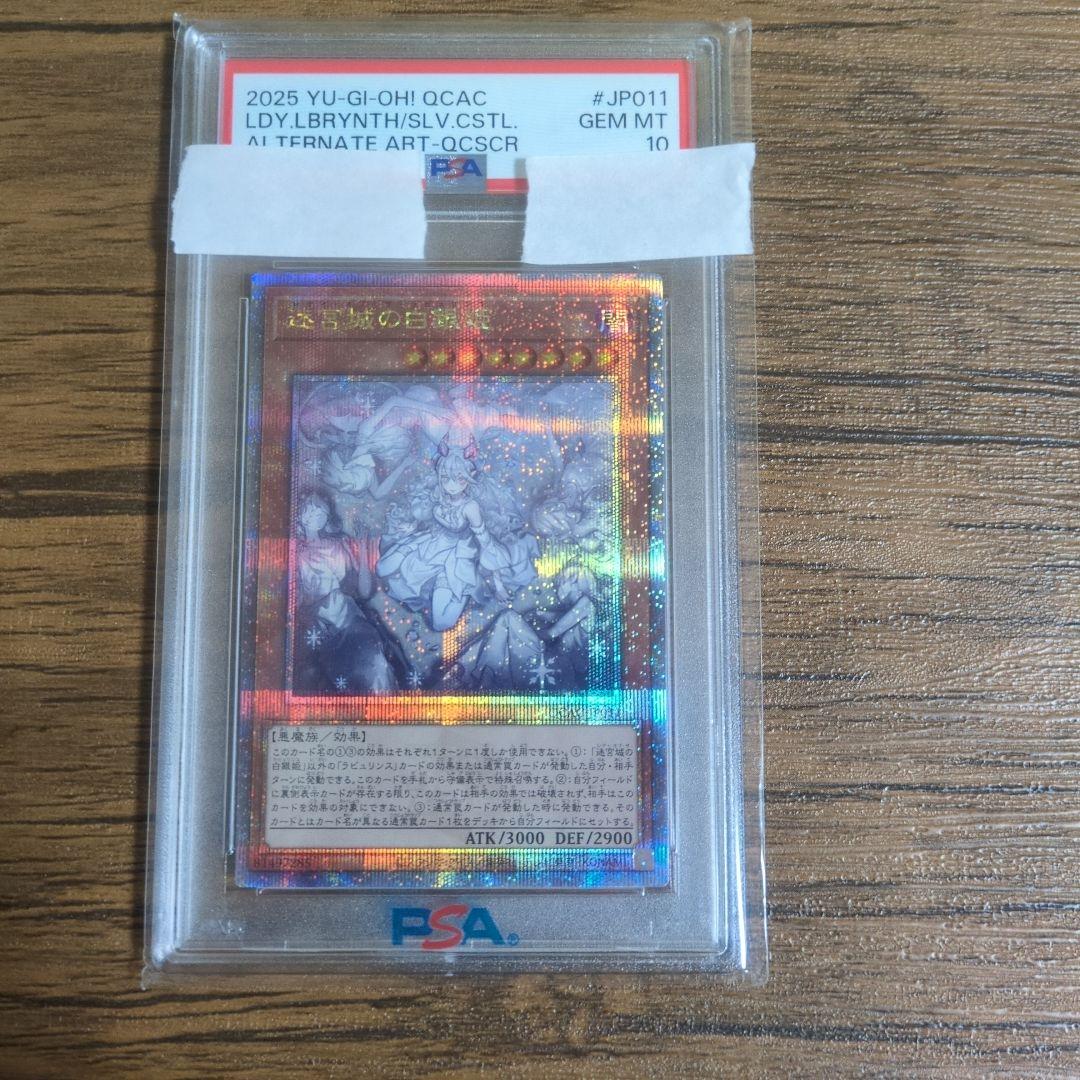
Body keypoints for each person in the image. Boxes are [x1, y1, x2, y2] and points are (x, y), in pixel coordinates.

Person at [376, 440, 539, 632]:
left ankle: (463, 592)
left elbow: (486, 542)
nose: (451, 485)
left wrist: (498, 585)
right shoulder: (438, 494)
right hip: (430, 545)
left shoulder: (471, 507)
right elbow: (420, 514)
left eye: (459, 479)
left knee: (441, 623)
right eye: (446, 478)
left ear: (470, 477)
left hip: (457, 558)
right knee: (382, 569)